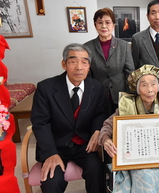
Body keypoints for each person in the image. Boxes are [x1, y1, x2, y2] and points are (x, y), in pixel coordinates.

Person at [99, 64, 159, 193]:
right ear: (137, 89)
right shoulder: (127, 105)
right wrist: (106, 140)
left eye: (153, 84)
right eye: (144, 85)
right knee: (143, 175)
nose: (150, 90)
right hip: (138, 160)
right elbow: (107, 126)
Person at [30, 43, 107, 193]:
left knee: (97, 171)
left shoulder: (96, 87)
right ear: (64, 64)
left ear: (89, 67)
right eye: (73, 61)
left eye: (84, 62)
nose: (79, 67)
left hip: (84, 145)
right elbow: (40, 123)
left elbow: (100, 114)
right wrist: (51, 153)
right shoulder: (46, 88)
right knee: (52, 181)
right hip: (55, 145)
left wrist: (98, 130)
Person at [84, 7, 134, 117]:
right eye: (100, 22)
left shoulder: (124, 46)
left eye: (107, 22)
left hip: (120, 96)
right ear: (95, 25)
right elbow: (87, 75)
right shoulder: (87, 47)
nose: (104, 26)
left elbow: (130, 73)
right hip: (98, 96)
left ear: (113, 25)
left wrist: (130, 97)